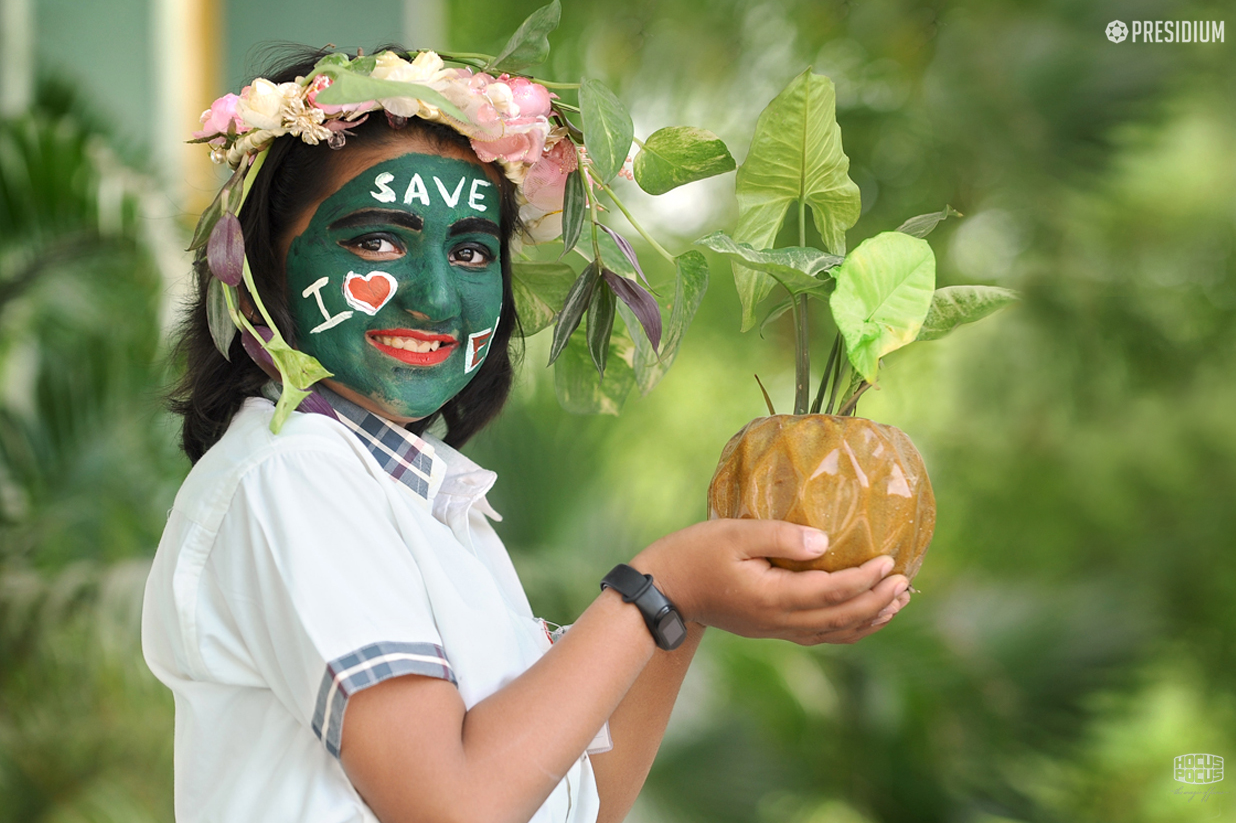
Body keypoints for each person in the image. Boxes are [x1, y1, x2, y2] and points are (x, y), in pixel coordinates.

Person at [142, 45, 912, 823]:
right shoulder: (293, 478)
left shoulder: (425, 502)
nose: (437, 298)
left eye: (472, 251)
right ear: (258, 259)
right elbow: (456, 806)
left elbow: (578, 801)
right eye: (376, 241)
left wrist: (687, 611)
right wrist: (662, 586)